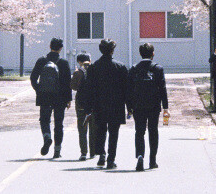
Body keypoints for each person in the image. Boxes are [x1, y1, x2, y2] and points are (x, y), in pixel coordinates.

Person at [82, 39, 128, 169]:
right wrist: (129, 106)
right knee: (114, 133)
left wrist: (87, 108)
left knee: (100, 130)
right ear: (112, 50)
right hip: (116, 104)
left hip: (99, 104)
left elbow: (89, 89)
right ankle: (111, 159)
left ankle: (101, 154)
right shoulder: (120, 67)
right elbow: (126, 89)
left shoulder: (94, 67)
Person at [127, 43, 169, 172]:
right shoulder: (157, 69)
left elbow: (128, 90)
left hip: (138, 105)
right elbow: (162, 88)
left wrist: (129, 107)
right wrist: (165, 107)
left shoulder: (134, 68)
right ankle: (152, 160)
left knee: (139, 132)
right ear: (153, 53)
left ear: (140, 54)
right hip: (153, 105)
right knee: (153, 131)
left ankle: (140, 156)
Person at [30, 38, 72, 158]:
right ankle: (57, 151)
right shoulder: (63, 63)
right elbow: (68, 82)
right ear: (61, 48)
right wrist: (68, 99)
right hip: (60, 98)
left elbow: (33, 78)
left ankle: (47, 137)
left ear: (50, 46)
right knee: (59, 123)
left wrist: (39, 90)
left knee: (44, 120)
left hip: (44, 96)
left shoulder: (42, 60)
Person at [70, 53, 95, 161]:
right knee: (93, 128)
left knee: (82, 128)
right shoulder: (95, 71)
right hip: (93, 104)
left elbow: (73, 87)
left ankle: (83, 152)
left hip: (81, 104)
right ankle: (93, 152)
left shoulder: (77, 73)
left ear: (79, 62)